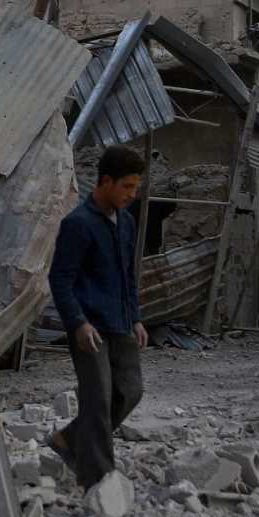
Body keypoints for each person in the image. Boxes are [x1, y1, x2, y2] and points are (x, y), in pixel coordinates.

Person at [47, 145, 148, 490]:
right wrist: (78, 322)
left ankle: (68, 439)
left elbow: (128, 275)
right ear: (106, 182)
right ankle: (100, 481)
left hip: (121, 322)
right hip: (89, 329)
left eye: (135, 187)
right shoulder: (78, 224)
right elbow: (60, 279)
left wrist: (136, 317)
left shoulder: (127, 222)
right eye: (127, 187)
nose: (132, 195)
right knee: (98, 400)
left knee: (131, 391)